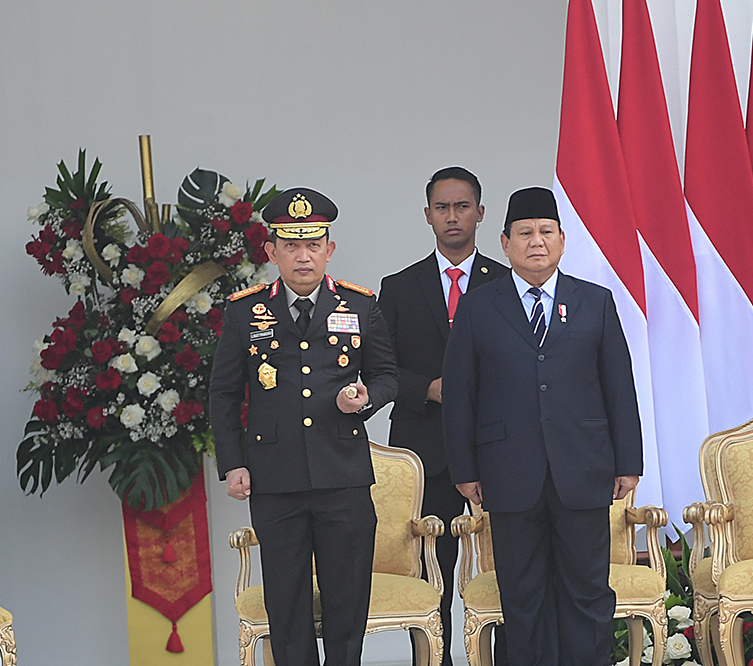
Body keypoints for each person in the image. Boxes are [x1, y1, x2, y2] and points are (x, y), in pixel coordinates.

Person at [442, 187, 643, 666]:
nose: (537, 242)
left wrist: (628, 462)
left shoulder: (594, 302)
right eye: (525, 233)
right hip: (507, 472)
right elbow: (460, 395)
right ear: (505, 242)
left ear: (562, 240)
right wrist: (464, 468)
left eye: (546, 232)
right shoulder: (477, 307)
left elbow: (619, 386)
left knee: (588, 592)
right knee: (523, 595)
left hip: (583, 467)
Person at [210, 187, 398, 666]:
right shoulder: (244, 311)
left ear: (329, 250)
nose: (303, 256)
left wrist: (366, 398)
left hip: (344, 477)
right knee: (287, 605)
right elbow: (225, 394)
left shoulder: (359, 307)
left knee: (346, 599)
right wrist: (232, 463)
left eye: (313, 244)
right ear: (271, 251)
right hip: (276, 478)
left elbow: (387, 375)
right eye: (291, 245)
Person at [378, 166, 508, 666]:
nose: (452, 217)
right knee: (431, 574)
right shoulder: (399, 286)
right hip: (425, 453)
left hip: (497, 449)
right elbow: (382, 367)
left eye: (461, 206)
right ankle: (434, 661)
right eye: (441, 207)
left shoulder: (507, 282)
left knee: (502, 574)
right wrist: (427, 388)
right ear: (427, 215)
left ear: (479, 212)